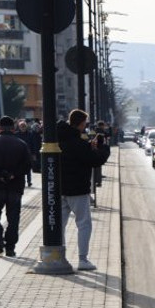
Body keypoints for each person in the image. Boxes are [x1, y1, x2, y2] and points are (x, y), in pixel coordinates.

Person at [57, 109, 110, 270]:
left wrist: (88, 146)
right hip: (78, 189)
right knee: (84, 224)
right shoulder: (78, 144)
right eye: (85, 123)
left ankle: (59, 256)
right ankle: (82, 259)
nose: (86, 126)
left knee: (60, 225)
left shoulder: (58, 140)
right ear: (80, 124)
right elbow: (95, 160)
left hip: (59, 189)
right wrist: (103, 148)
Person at [0, 116, 30, 257]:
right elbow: (27, 165)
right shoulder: (21, 144)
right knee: (13, 217)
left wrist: (0, 175)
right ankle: (10, 247)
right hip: (15, 186)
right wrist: (13, 174)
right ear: (13, 128)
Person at [16, 120, 40, 186]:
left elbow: (34, 144)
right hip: (19, 154)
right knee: (21, 168)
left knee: (28, 168)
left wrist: (34, 154)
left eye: (24, 126)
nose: (23, 128)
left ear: (26, 127)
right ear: (19, 127)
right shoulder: (16, 134)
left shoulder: (30, 134)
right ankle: (22, 181)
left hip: (28, 153)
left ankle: (29, 181)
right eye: (21, 126)